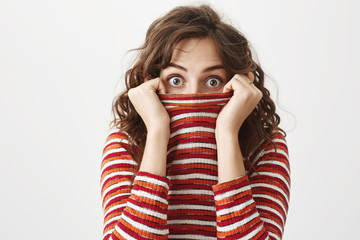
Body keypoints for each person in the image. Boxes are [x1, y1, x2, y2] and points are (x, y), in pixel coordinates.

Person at [100, 4, 290, 240]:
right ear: (151, 82)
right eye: (176, 79)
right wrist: (158, 131)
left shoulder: (264, 146)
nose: (194, 95)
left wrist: (227, 133)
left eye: (212, 81)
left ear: (239, 83)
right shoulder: (126, 143)